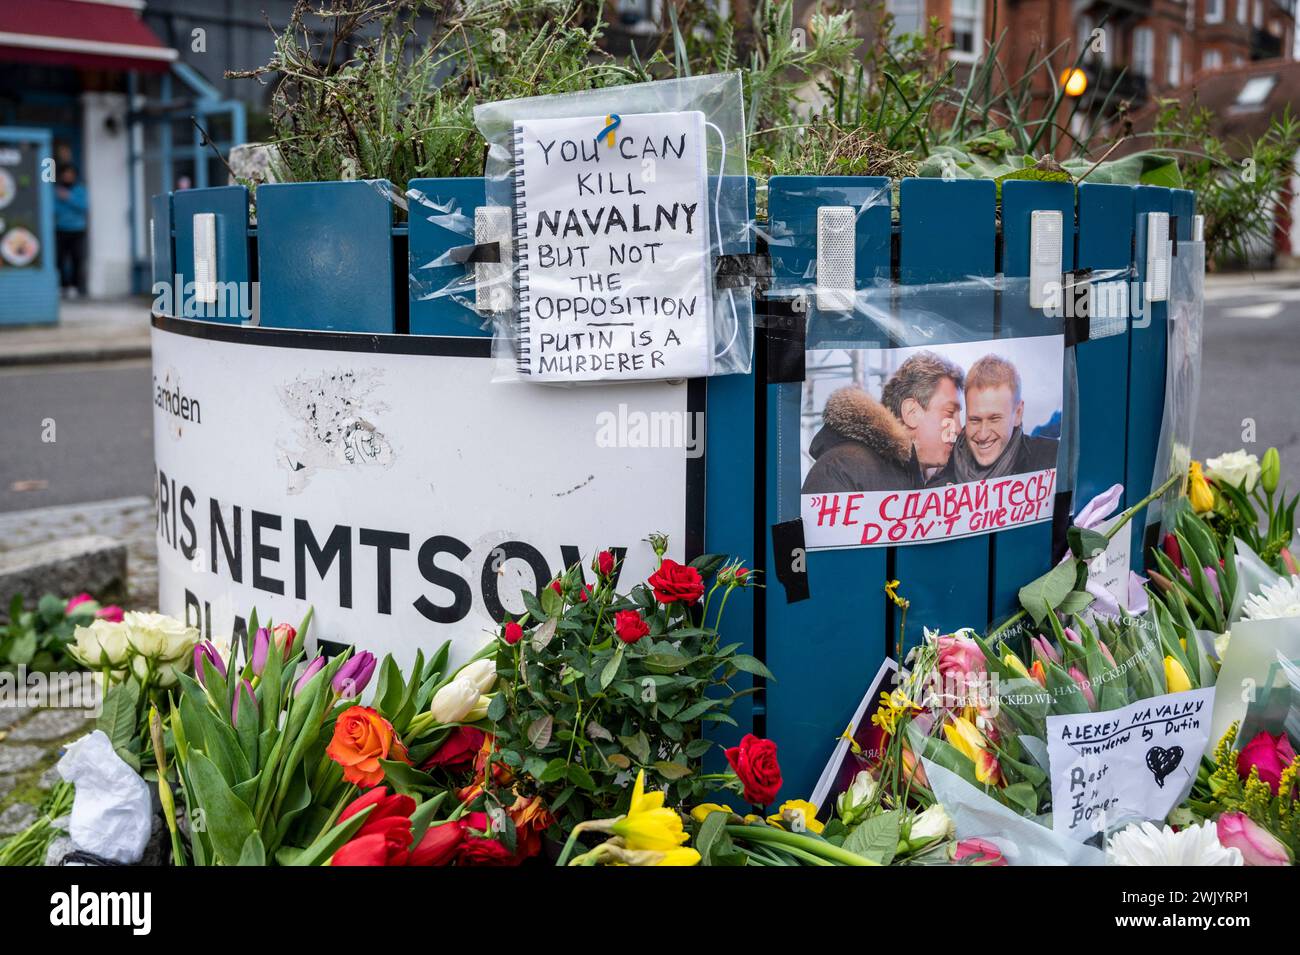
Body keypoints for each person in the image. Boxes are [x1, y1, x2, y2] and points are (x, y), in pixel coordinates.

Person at [802, 350, 964, 494]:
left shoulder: (935, 479)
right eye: (950, 412)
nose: (958, 428)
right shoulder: (840, 470)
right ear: (911, 412)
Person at [940, 354, 1058, 483]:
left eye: (994, 419)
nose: (983, 435)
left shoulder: (1054, 459)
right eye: (975, 420)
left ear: (1018, 413)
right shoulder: (939, 480)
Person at [55, 163, 88, 298]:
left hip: (77, 229)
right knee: (60, 259)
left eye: (70, 173)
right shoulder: (55, 190)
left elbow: (84, 206)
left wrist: (68, 198)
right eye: (65, 173)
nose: (68, 176)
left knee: (77, 259)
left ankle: (74, 286)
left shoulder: (80, 190)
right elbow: (53, 209)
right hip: (61, 229)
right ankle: (63, 286)